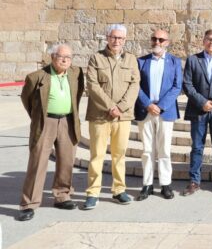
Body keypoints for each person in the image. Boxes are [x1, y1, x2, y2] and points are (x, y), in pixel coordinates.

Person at [17, 44, 84, 221]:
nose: (65, 60)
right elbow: (27, 99)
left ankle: (62, 196)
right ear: (52, 57)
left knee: (66, 160)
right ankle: (29, 204)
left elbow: (77, 95)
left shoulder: (76, 73)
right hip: (45, 122)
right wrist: (38, 116)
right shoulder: (37, 77)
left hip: (68, 121)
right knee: (38, 161)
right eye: (61, 57)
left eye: (68, 57)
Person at [83, 24, 140, 210]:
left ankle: (118, 190)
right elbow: (92, 85)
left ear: (125, 40)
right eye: (114, 37)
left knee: (119, 155)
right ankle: (93, 192)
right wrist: (110, 107)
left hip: (122, 117)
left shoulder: (131, 59)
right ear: (107, 38)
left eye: (120, 38)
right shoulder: (96, 58)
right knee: (97, 155)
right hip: (100, 115)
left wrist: (120, 108)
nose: (117, 41)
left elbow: (134, 85)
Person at [182, 29, 212, 196]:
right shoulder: (193, 60)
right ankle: (194, 181)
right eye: (209, 39)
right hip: (198, 110)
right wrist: (202, 102)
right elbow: (187, 84)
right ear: (203, 41)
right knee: (197, 147)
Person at [135, 29, 182, 201]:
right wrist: (148, 104)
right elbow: (136, 85)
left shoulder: (174, 62)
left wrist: (160, 106)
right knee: (147, 150)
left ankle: (165, 184)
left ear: (167, 42)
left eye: (161, 40)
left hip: (165, 111)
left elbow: (177, 86)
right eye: (154, 38)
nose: (157, 42)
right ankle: (147, 185)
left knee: (164, 150)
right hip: (145, 110)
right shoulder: (141, 62)